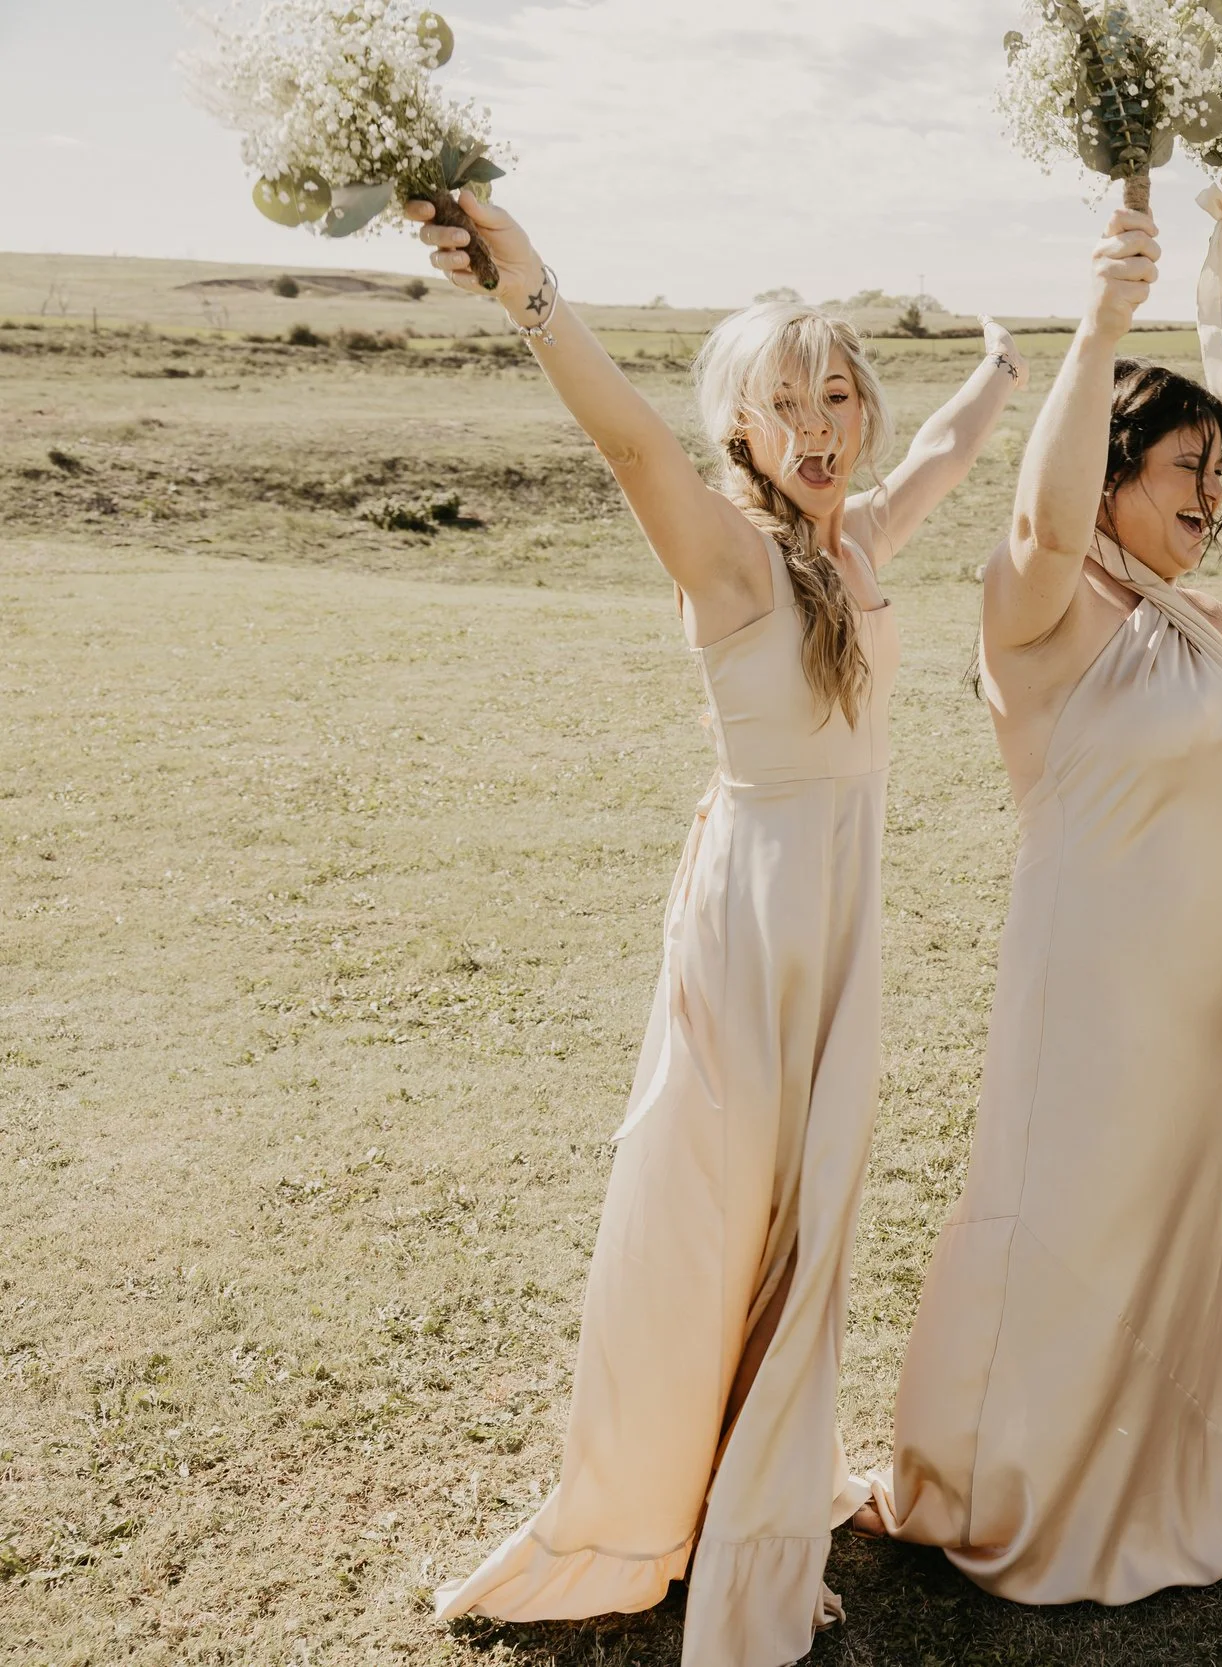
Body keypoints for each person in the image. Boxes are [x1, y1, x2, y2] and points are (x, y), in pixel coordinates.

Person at [405, 192, 1025, 1667]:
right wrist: (530, 291)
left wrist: (1004, 364)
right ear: (740, 423)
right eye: (784, 401)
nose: (818, 425)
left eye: (837, 396)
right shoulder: (732, 555)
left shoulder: (855, 538)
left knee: (813, 1213)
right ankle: (710, 1509)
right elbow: (630, 442)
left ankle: (763, 1494)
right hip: (757, 917)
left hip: (840, 909)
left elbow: (945, 455)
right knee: (730, 1212)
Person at [869, 207, 1222, 1604]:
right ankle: (1017, 1482)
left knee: (1187, 1238)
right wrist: (1102, 323)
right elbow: (1038, 519)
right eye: (1188, 464)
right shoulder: (1041, 612)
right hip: (1099, 989)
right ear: (1114, 471)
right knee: (1072, 1222)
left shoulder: (1210, 626)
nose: (1213, 494)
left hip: (1221, 1005)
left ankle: (1161, 1480)